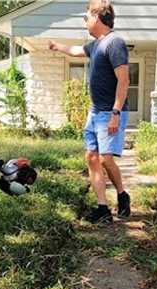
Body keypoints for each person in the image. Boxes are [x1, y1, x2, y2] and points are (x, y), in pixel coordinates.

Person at [49, 0, 131, 223]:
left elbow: (123, 80)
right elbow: (76, 50)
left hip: (110, 112)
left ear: (98, 17)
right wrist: (58, 46)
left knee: (105, 159)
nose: (84, 21)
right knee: (92, 158)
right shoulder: (95, 45)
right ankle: (102, 208)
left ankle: (122, 195)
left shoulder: (115, 43)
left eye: (86, 17)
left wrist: (115, 112)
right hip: (94, 112)